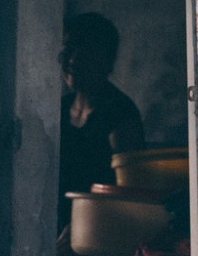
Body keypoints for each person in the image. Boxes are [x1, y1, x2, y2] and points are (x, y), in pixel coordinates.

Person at [57, 12, 144, 233]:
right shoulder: (58, 109)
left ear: (106, 60)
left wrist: (79, 231)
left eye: (84, 51)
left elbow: (130, 196)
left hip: (98, 232)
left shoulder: (120, 114)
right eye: (69, 48)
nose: (73, 60)